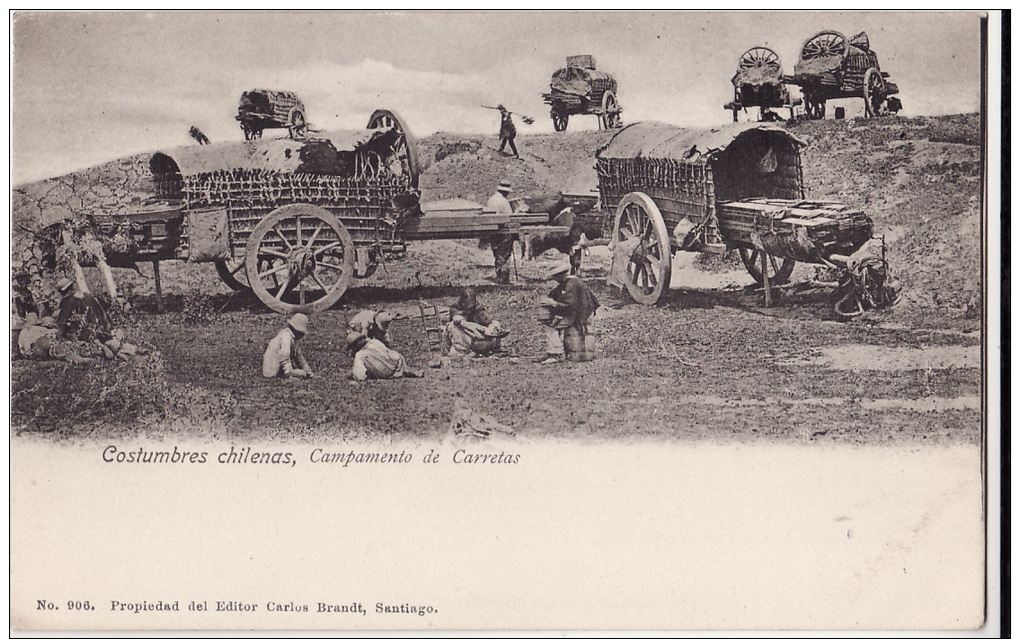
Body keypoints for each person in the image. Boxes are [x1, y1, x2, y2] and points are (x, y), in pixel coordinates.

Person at [536, 262, 600, 364]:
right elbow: (556, 294)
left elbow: (569, 305)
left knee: (551, 326)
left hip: (579, 315)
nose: (555, 280)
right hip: (578, 312)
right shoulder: (569, 282)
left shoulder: (571, 284)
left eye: (555, 277)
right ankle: (554, 351)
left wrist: (553, 304)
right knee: (555, 322)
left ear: (560, 275)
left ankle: (555, 353)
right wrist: (550, 299)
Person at [443, 287, 510, 357]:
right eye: (467, 302)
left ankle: (492, 347)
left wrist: (492, 326)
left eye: (471, 302)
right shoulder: (455, 308)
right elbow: (458, 320)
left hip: (479, 335)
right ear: (462, 301)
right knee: (454, 325)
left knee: (495, 324)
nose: (469, 305)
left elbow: (487, 319)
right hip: (463, 334)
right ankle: (463, 351)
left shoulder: (478, 307)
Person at [347, 331, 423, 380]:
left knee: (367, 366)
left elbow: (360, 376)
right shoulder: (374, 342)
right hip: (398, 362)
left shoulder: (360, 354)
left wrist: (353, 375)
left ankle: (404, 372)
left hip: (385, 372)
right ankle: (406, 370)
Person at [55, 277, 112, 342]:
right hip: (97, 334)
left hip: (79, 338)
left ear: (65, 291)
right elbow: (102, 315)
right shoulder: (89, 297)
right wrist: (107, 331)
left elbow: (61, 322)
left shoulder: (68, 301)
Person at [262, 313, 314, 379]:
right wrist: (289, 373)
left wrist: (310, 373)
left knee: (303, 372)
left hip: (279, 366)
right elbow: (284, 356)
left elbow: (299, 357)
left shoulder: (293, 338)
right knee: (302, 374)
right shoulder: (286, 337)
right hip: (272, 370)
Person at [486, 180, 517, 284]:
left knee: (497, 253)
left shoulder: (491, 200)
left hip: (492, 231)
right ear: (505, 191)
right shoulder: (504, 202)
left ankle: (499, 276)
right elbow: (510, 217)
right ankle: (503, 279)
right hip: (503, 231)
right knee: (504, 254)